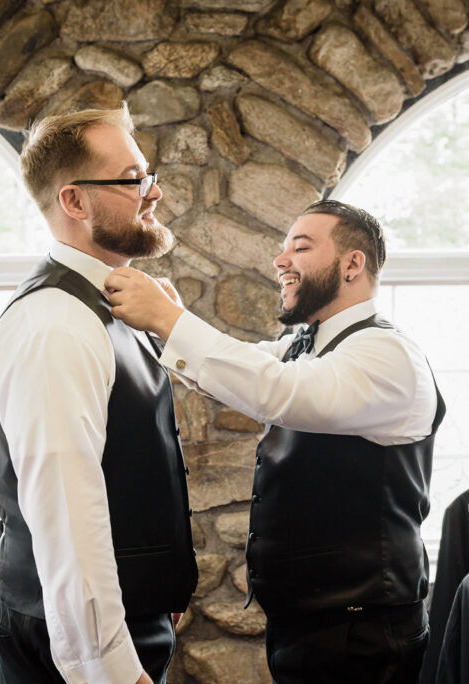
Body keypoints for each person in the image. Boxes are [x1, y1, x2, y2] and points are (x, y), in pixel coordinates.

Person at [106, 200, 445, 683]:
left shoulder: (385, 353)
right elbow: (242, 370)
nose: (279, 260)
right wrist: (171, 324)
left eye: (300, 247)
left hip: (361, 632)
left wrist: (169, 320)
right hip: (313, 625)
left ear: (353, 264)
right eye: (282, 247)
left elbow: (276, 391)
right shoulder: (309, 344)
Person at [0, 105, 197, 684]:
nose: (154, 191)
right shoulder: (56, 322)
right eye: (132, 179)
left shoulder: (110, 303)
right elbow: (67, 515)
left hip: (128, 613)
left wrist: (155, 586)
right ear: (74, 201)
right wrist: (112, 669)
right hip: (79, 645)